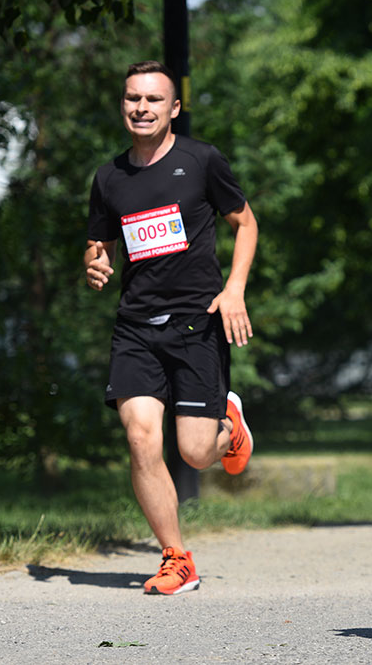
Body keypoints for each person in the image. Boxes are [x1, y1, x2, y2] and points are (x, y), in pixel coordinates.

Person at [84, 61, 258, 594]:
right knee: (140, 438)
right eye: (133, 98)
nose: (142, 108)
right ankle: (176, 557)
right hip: (135, 326)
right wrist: (94, 263)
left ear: (173, 108)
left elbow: (245, 223)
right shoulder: (109, 176)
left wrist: (233, 290)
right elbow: (100, 243)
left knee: (194, 453)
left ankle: (230, 428)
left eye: (154, 100)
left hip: (197, 323)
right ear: (122, 105)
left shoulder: (201, 160)